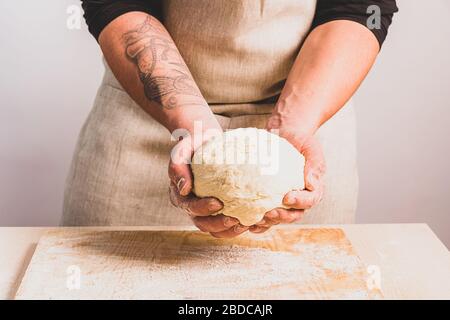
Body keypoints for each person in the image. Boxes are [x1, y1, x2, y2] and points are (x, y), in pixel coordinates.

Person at [62, 0, 398, 237]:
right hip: (146, 125)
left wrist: (294, 125)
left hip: (306, 122)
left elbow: (361, 7)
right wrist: (188, 121)